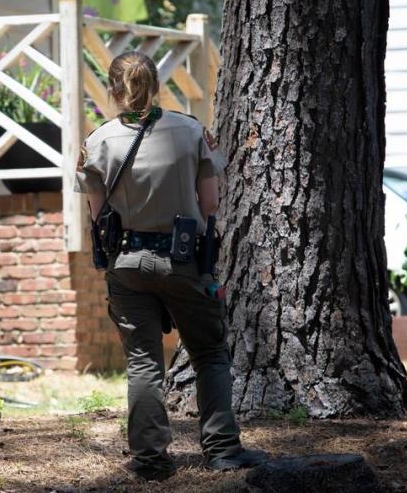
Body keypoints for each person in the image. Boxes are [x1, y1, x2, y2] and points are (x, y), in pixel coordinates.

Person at [74, 51, 267, 482]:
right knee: (211, 354)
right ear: (158, 84)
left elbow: (97, 213)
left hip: (127, 264)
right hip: (185, 260)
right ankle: (222, 451)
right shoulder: (191, 130)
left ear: (112, 89)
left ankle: (150, 460)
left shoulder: (99, 141)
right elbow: (211, 203)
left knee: (143, 364)